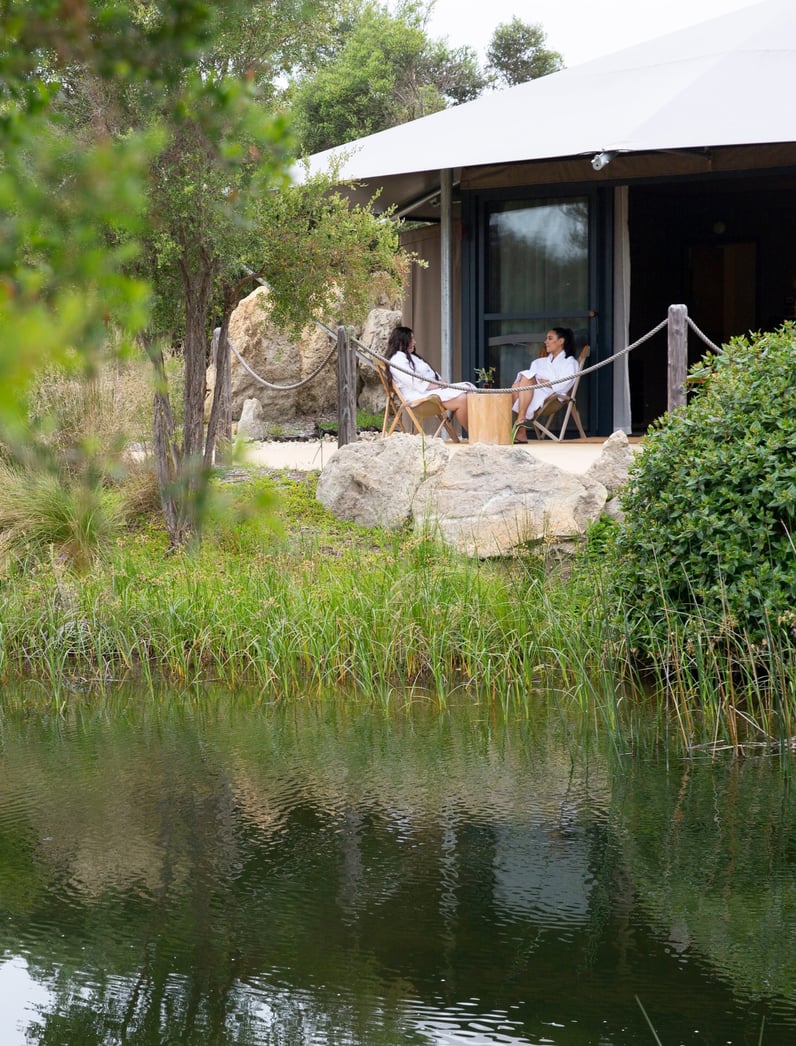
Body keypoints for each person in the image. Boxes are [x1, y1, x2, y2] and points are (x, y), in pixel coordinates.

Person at [386, 325, 473, 433]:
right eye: (411, 339)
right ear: (401, 341)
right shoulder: (397, 359)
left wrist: (440, 382)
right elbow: (413, 381)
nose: (415, 342)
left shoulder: (412, 357)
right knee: (462, 399)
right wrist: (437, 384)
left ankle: (483, 430)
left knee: (470, 390)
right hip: (419, 397)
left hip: (431, 391)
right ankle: (474, 434)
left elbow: (430, 374)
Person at [511, 328, 578, 442]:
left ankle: (520, 425)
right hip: (533, 392)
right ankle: (521, 423)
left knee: (521, 383)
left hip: (553, 397)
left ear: (561, 341)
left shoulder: (570, 362)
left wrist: (547, 383)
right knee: (517, 385)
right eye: (546, 338)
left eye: (550, 338)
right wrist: (539, 381)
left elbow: (566, 383)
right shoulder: (539, 362)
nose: (546, 341)